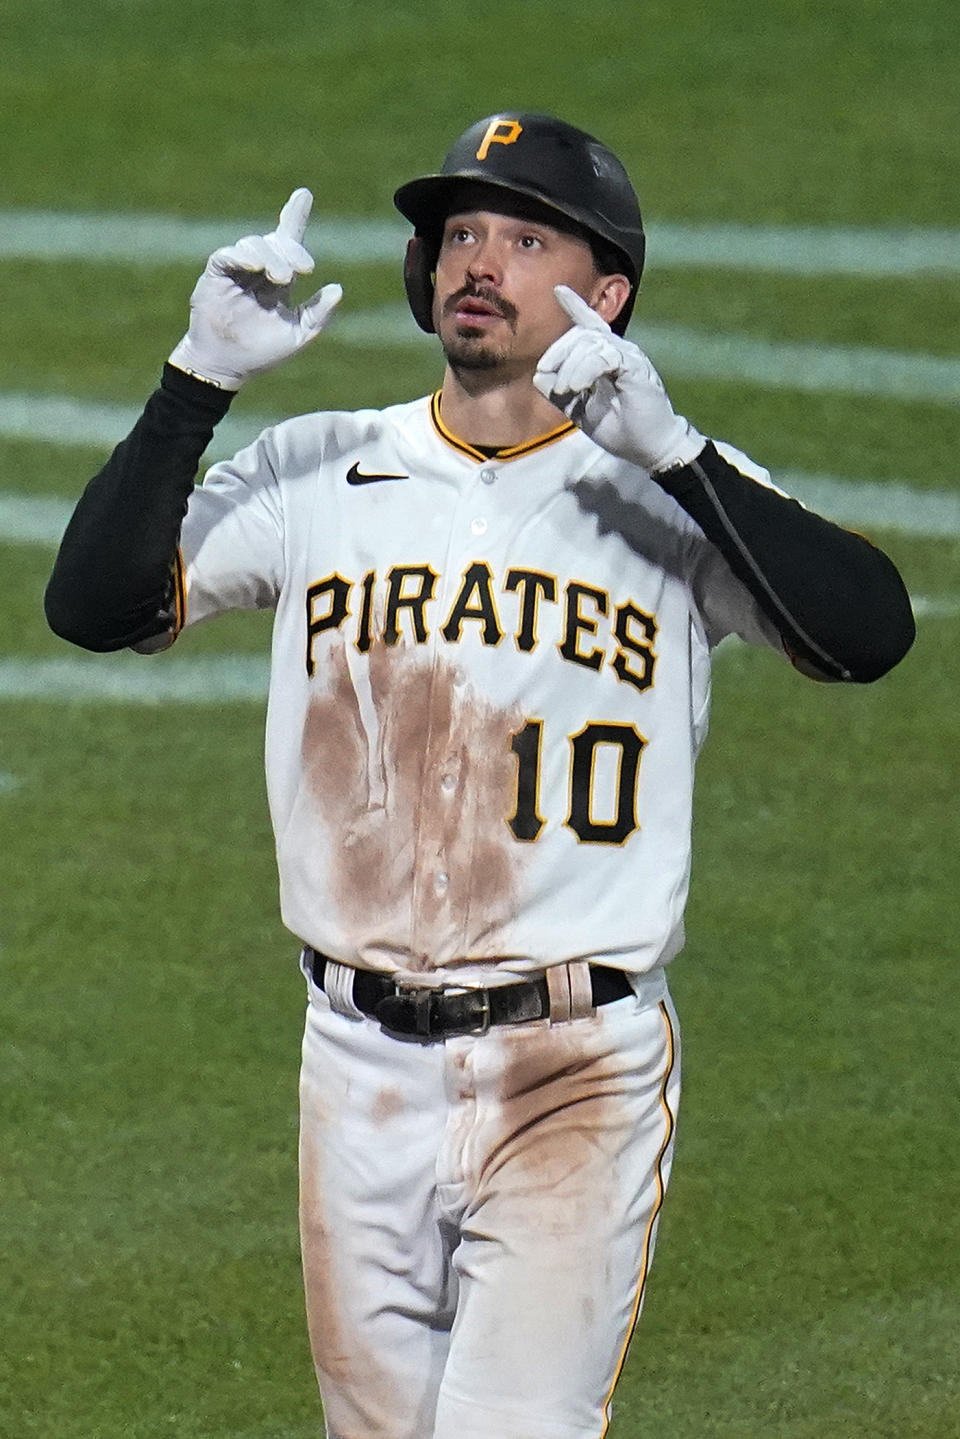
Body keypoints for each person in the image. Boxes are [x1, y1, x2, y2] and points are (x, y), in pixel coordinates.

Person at [45, 112, 915, 1439]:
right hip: (354, 1066)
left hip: (577, 1066)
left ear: (606, 291)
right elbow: (93, 605)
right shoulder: (322, 469)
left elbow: (868, 636)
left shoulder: (668, 490)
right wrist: (195, 380)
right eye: (460, 233)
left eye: (524, 236)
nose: (479, 261)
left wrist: (675, 455)